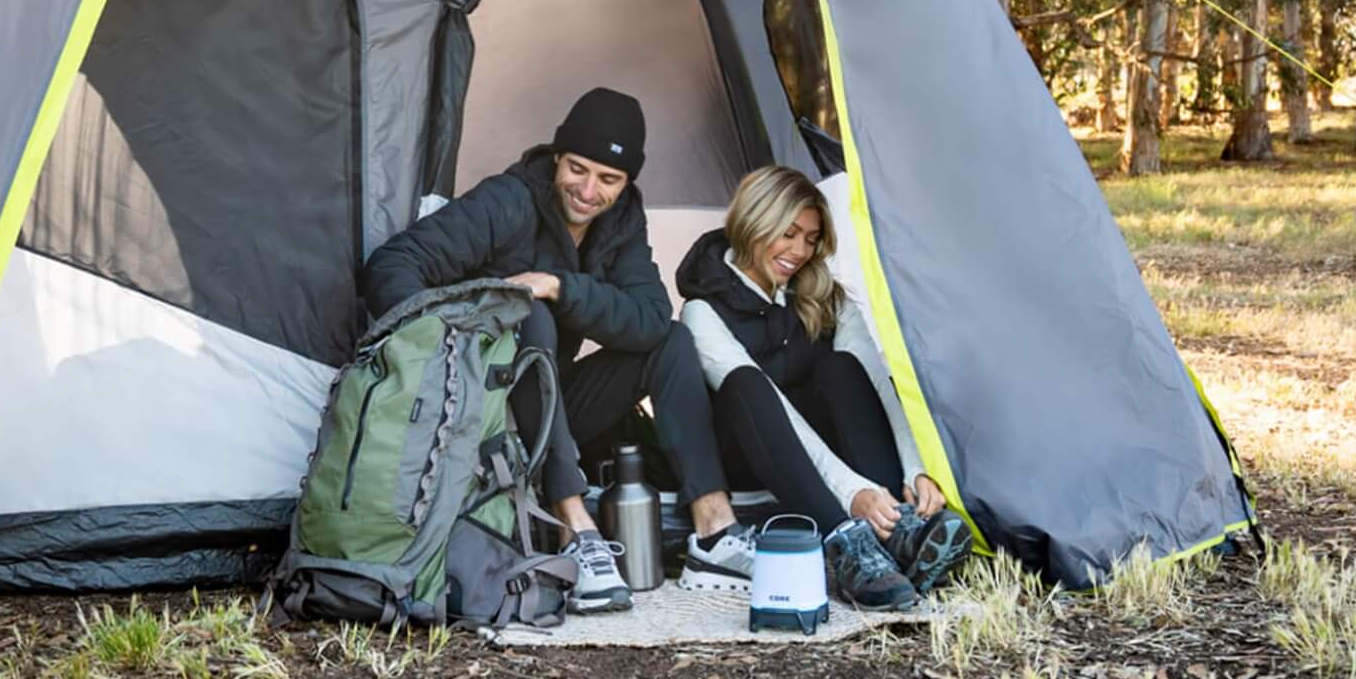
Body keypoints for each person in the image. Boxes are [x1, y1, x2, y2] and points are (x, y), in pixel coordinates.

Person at [362, 87, 757, 611]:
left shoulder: (621, 220)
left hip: (546, 412)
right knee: (528, 315)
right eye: (577, 168)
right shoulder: (507, 200)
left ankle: (713, 530)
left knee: (670, 339)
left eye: (609, 179)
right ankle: (577, 531)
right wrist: (456, 336)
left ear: (627, 182)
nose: (589, 190)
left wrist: (559, 285)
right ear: (556, 157)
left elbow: (648, 317)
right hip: (476, 412)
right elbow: (392, 265)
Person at [676, 164, 972, 612]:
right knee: (748, 384)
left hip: (835, 470)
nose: (800, 251)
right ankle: (846, 541)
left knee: (841, 367)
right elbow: (772, 406)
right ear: (755, 223)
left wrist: (915, 468)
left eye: (811, 239)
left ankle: (895, 524)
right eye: (788, 233)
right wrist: (851, 492)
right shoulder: (702, 311)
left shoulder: (823, 295)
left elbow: (878, 381)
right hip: (753, 467)